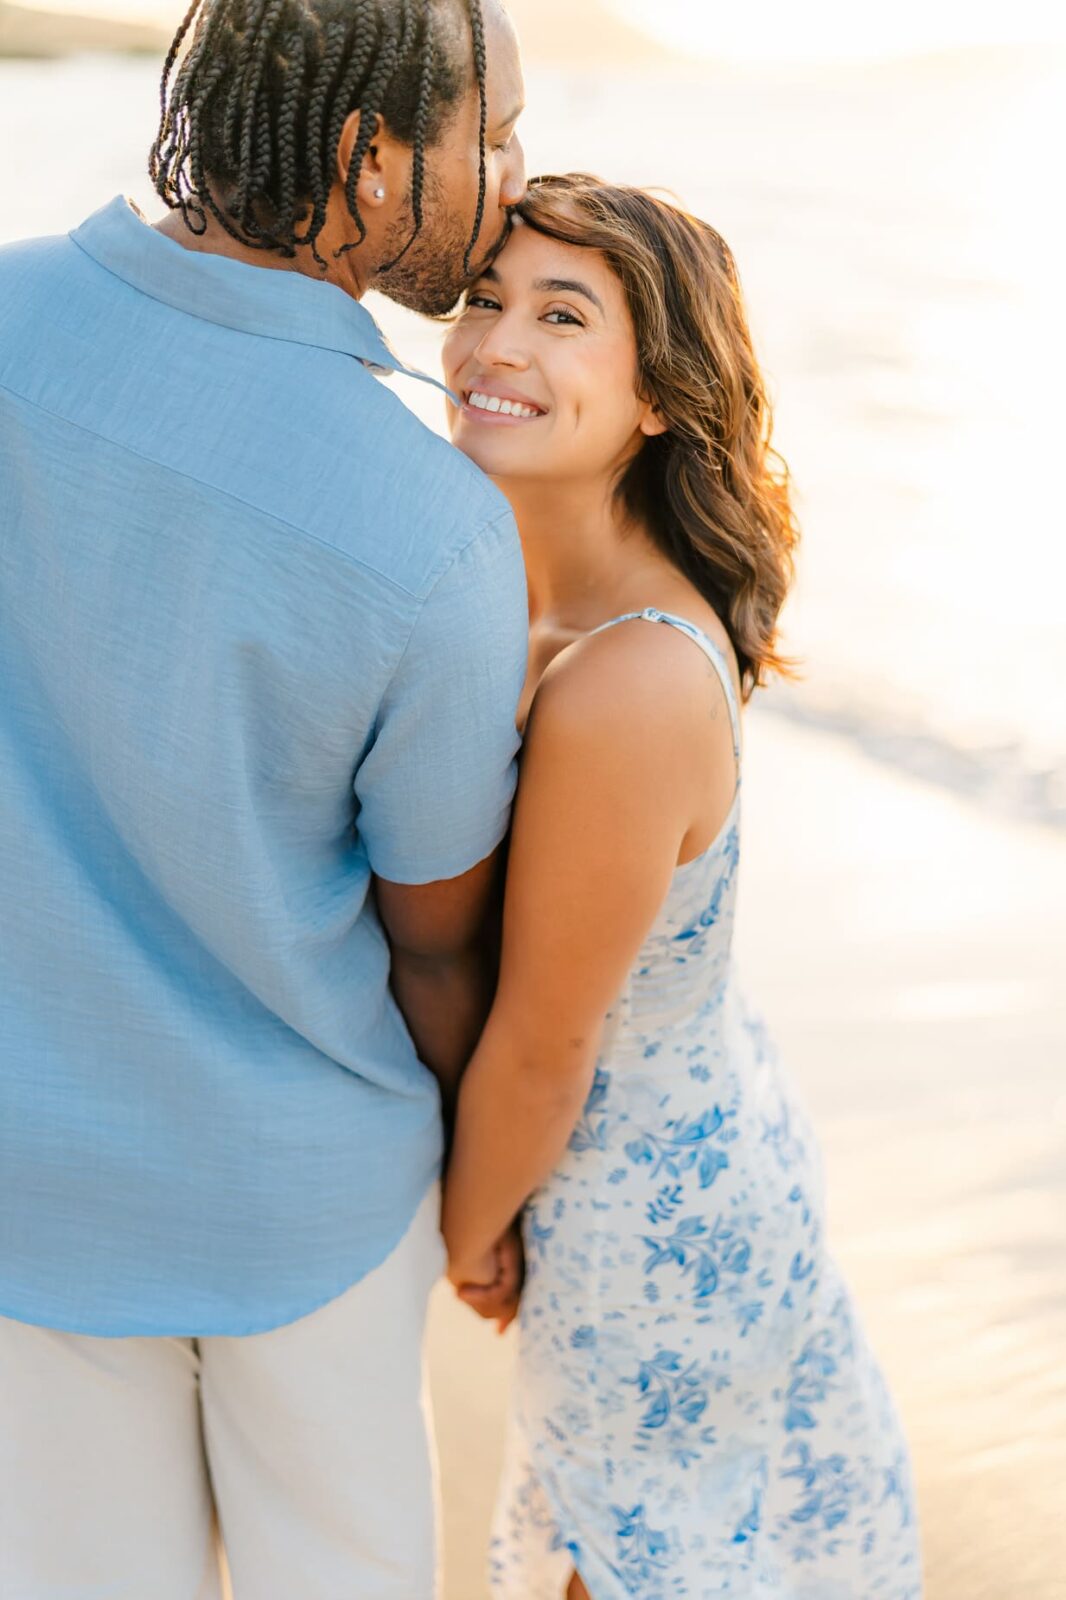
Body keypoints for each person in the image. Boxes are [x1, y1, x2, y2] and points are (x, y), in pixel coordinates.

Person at [0, 3, 526, 1596]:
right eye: (489, 137)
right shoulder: (434, 529)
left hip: (33, 1181)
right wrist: (487, 1193)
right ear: (370, 160)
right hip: (306, 1207)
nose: (514, 175)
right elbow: (434, 947)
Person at [439, 175, 922, 1599]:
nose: (492, 345)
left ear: (658, 393)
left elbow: (545, 1040)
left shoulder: (628, 676)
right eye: (483, 297)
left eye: (561, 314)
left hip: (639, 1228)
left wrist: (465, 1241)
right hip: (692, 1149)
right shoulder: (519, 589)